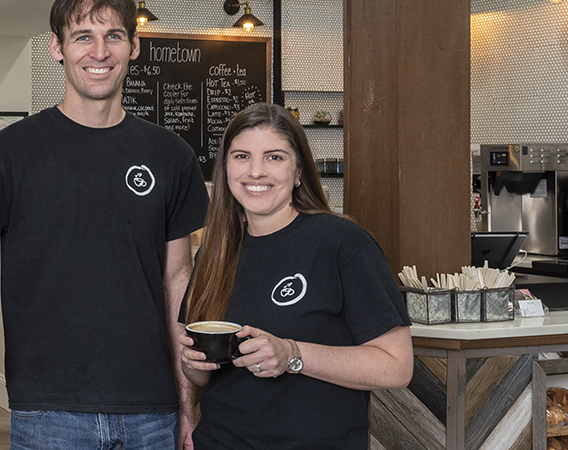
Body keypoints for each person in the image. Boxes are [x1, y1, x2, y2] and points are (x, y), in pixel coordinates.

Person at [0, 0, 209, 449]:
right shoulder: (10, 153)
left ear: (134, 47)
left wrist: (188, 404)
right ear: (56, 48)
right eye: (83, 36)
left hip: (151, 412)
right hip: (48, 412)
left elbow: (178, 283)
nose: (99, 51)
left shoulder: (170, 155)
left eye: (114, 36)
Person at [176, 103, 414, 449]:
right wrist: (192, 361)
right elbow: (204, 377)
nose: (256, 172)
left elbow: (396, 367)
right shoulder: (215, 253)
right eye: (242, 156)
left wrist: (291, 354)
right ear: (225, 168)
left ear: (299, 171)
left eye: (274, 157)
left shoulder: (342, 244)